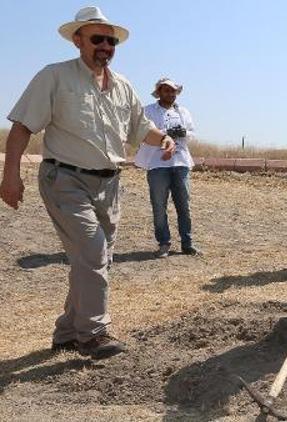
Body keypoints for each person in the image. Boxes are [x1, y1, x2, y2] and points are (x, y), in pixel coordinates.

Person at [0, 6, 176, 359]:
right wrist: (10, 177)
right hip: (64, 179)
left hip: (109, 185)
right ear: (78, 40)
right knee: (93, 252)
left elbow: (140, 129)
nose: (105, 46)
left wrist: (165, 140)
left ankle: (66, 332)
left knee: (94, 259)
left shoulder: (123, 86)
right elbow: (21, 129)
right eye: (98, 39)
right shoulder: (54, 77)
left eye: (111, 41)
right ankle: (93, 334)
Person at [134, 77, 200, 258]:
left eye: (173, 91)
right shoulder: (148, 111)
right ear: (159, 92)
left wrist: (183, 133)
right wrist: (162, 136)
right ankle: (164, 243)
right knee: (158, 206)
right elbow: (142, 132)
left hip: (180, 163)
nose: (170, 94)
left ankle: (187, 243)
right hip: (157, 164)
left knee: (184, 206)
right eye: (166, 91)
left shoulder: (184, 112)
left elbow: (192, 134)